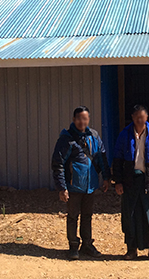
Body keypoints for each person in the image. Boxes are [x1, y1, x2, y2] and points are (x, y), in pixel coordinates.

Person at [51, 106, 111, 260]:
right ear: (73, 119)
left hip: (90, 186)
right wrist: (62, 187)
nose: (82, 122)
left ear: (88, 119)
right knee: (72, 216)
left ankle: (87, 245)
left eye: (85, 119)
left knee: (87, 216)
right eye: (79, 118)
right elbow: (57, 164)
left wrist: (106, 178)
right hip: (73, 187)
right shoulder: (66, 139)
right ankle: (73, 246)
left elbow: (101, 159)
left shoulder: (94, 136)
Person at [113, 104, 149, 262]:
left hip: (147, 181)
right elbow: (117, 159)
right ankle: (131, 249)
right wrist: (118, 181)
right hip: (130, 181)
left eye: (142, 117)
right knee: (130, 216)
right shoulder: (124, 135)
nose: (139, 120)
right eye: (137, 117)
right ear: (133, 118)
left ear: (146, 118)